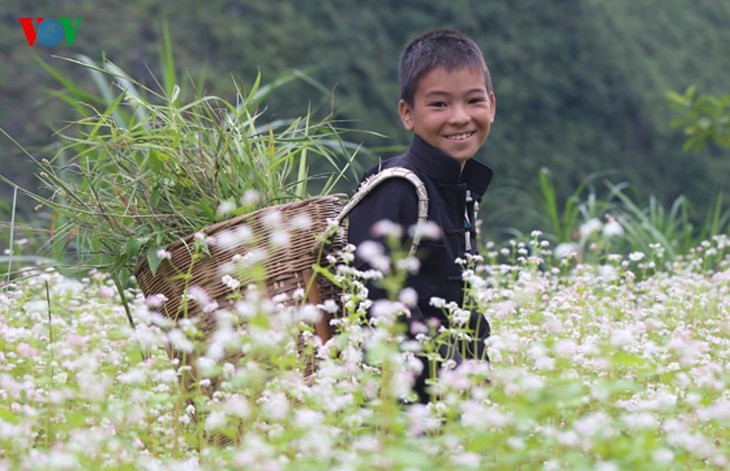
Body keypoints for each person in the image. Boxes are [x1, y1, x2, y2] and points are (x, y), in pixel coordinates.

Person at [347, 29, 496, 402]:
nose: (460, 118)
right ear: (408, 114)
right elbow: (371, 301)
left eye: (473, 101)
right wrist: (456, 372)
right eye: (439, 105)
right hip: (398, 410)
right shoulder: (397, 188)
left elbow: (461, 307)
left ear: (491, 105)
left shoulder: (458, 191)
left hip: (444, 403)